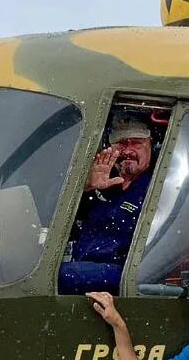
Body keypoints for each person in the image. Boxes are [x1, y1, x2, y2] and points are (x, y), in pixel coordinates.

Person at [58, 112, 156, 294]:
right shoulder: (101, 183)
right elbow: (58, 220)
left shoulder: (158, 188)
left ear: (152, 146)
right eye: (121, 143)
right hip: (81, 269)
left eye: (136, 143)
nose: (127, 150)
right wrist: (85, 188)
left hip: (126, 276)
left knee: (60, 276)